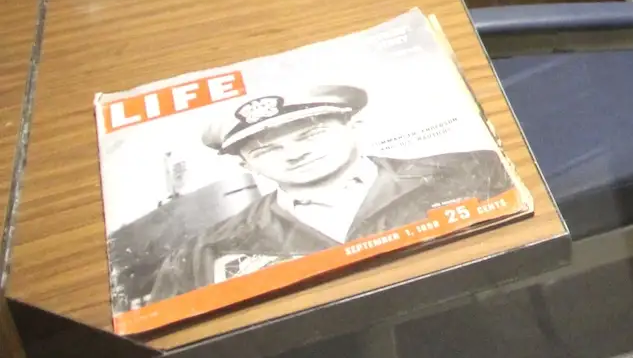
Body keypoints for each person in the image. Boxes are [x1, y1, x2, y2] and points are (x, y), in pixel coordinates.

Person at [143, 85, 512, 304]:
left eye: (310, 134)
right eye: (266, 150)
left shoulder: (470, 170)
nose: (294, 154)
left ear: (355, 126)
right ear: (246, 167)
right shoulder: (205, 250)